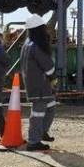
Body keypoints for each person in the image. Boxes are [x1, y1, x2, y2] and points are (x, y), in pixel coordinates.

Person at [21, 14, 56, 151]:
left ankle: (41, 132)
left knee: (51, 106)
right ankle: (34, 141)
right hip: (40, 85)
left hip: (35, 84)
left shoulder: (27, 43)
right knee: (38, 113)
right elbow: (48, 66)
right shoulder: (35, 45)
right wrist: (53, 75)